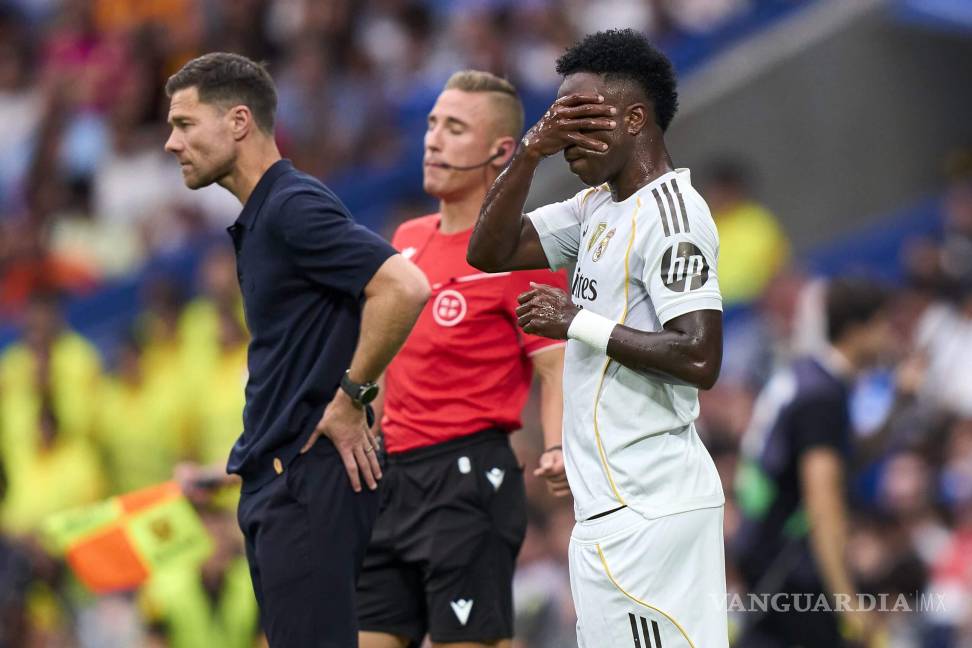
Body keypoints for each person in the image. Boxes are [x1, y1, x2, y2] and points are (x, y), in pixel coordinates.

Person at [467, 29, 729, 648]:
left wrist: (575, 322)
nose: (567, 141)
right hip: (607, 510)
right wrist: (529, 151)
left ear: (634, 119)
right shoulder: (595, 208)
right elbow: (489, 251)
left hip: (650, 506)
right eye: (560, 122)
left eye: (582, 121)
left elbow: (700, 354)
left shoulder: (673, 215)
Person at [163, 52, 430, 647]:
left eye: (184, 123)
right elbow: (298, 374)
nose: (171, 142)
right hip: (281, 486)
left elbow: (404, 286)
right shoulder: (266, 215)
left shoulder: (290, 205)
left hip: (305, 491)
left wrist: (352, 396)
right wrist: (227, 473)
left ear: (238, 121)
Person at [356, 71, 568, 648]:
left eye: (454, 128)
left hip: (468, 480)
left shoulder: (522, 251)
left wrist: (555, 447)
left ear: (500, 151)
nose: (433, 140)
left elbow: (555, 367)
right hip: (390, 479)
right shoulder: (406, 238)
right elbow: (382, 364)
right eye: (432, 125)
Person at [733, 277, 894, 647]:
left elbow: (842, 460)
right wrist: (847, 601)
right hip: (788, 565)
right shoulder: (822, 398)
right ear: (857, 330)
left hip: (764, 550)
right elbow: (823, 500)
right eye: (883, 324)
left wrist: (898, 403)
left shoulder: (807, 376)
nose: (890, 335)